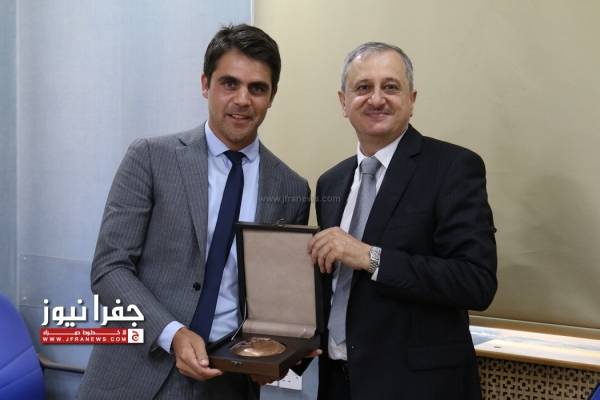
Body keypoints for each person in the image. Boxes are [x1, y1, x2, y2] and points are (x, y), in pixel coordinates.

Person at [78, 24, 311, 400]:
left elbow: (278, 298)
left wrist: (289, 353)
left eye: (257, 88)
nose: (242, 100)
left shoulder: (292, 188)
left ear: (272, 96)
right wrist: (172, 334)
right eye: (229, 83)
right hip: (136, 374)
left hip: (229, 382)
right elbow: (109, 269)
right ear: (205, 84)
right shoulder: (150, 158)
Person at [308, 42, 497, 399]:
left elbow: (476, 282)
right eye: (363, 87)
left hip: (417, 388)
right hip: (338, 383)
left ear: (411, 99)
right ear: (343, 102)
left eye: (390, 87)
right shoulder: (330, 182)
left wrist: (371, 257)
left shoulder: (453, 168)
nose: (377, 99)